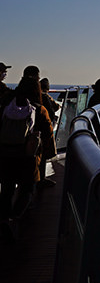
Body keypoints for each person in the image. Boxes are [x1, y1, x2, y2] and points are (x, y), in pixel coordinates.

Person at [0, 75, 54, 238]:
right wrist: (48, 152)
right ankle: (13, 218)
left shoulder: (5, 105)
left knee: (7, 188)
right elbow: (47, 133)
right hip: (27, 156)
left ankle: (3, 217)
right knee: (27, 188)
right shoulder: (39, 108)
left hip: (5, 153)